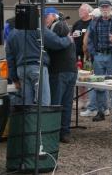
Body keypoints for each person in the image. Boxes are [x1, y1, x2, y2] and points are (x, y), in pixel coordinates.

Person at [6, 17, 73, 106]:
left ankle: (29, 120)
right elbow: (55, 42)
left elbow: (9, 58)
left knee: (27, 104)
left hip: (21, 70)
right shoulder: (37, 28)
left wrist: (14, 78)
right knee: (43, 103)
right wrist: (68, 39)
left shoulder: (12, 33)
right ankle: (42, 120)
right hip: (37, 67)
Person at [83, 0, 112, 122]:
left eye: (107, 7)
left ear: (111, 8)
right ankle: (101, 111)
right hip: (99, 56)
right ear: (100, 9)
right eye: (102, 8)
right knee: (99, 85)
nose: (105, 9)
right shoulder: (94, 23)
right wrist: (93, 53)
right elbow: (90, 38)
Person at [44, 7, 77, 143]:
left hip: (59, 70)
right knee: (67, 103)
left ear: (53, 16)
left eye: (46, 17)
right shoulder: (64, 26)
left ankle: (54, 132)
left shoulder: (57, 26)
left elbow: (54, 44)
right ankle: (65, 132)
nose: (45, 21)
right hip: (71, 69)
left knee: (56, 103)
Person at [71, 3, 94, 110]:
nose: (80, 12)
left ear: (88, 11)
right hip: (77, 56)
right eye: (79, 10)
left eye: (82, 10)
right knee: (79, 79)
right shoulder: (76, 24)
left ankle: (91, 101)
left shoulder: (93, 23)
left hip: (89, 56)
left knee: (89, 78)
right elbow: (71, 38)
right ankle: (82, 100)